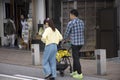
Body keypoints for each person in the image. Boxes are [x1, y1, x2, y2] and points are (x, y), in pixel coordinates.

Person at [64, 9, 84, 80]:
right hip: (81, 43)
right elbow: (81, 31)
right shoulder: (81, 22)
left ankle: (79, 73)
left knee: (76, 58)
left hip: (75, 43)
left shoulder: (71, 23)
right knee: (76, 57)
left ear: (72, 15)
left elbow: (67, 33)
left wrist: (64, 39)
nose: (69, 16)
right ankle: (75, 71)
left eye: (70, 15)